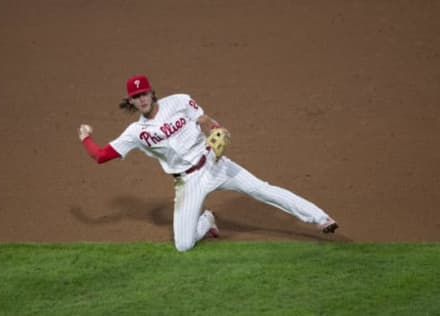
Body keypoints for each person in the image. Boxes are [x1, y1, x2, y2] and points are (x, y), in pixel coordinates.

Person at [78, 74, 338, 252]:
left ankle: (320, 217)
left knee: (262, 189)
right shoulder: (135, 132)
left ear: (152, 92)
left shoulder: (179, 101)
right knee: (183, 246)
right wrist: (85, 137)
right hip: (187, 182)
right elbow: (100, 156)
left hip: (213, 162)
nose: (142, 99)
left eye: (144, 93)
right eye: (136, 96)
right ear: (131, 101)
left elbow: (203, 119)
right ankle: (208, 221)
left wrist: (217, 126)